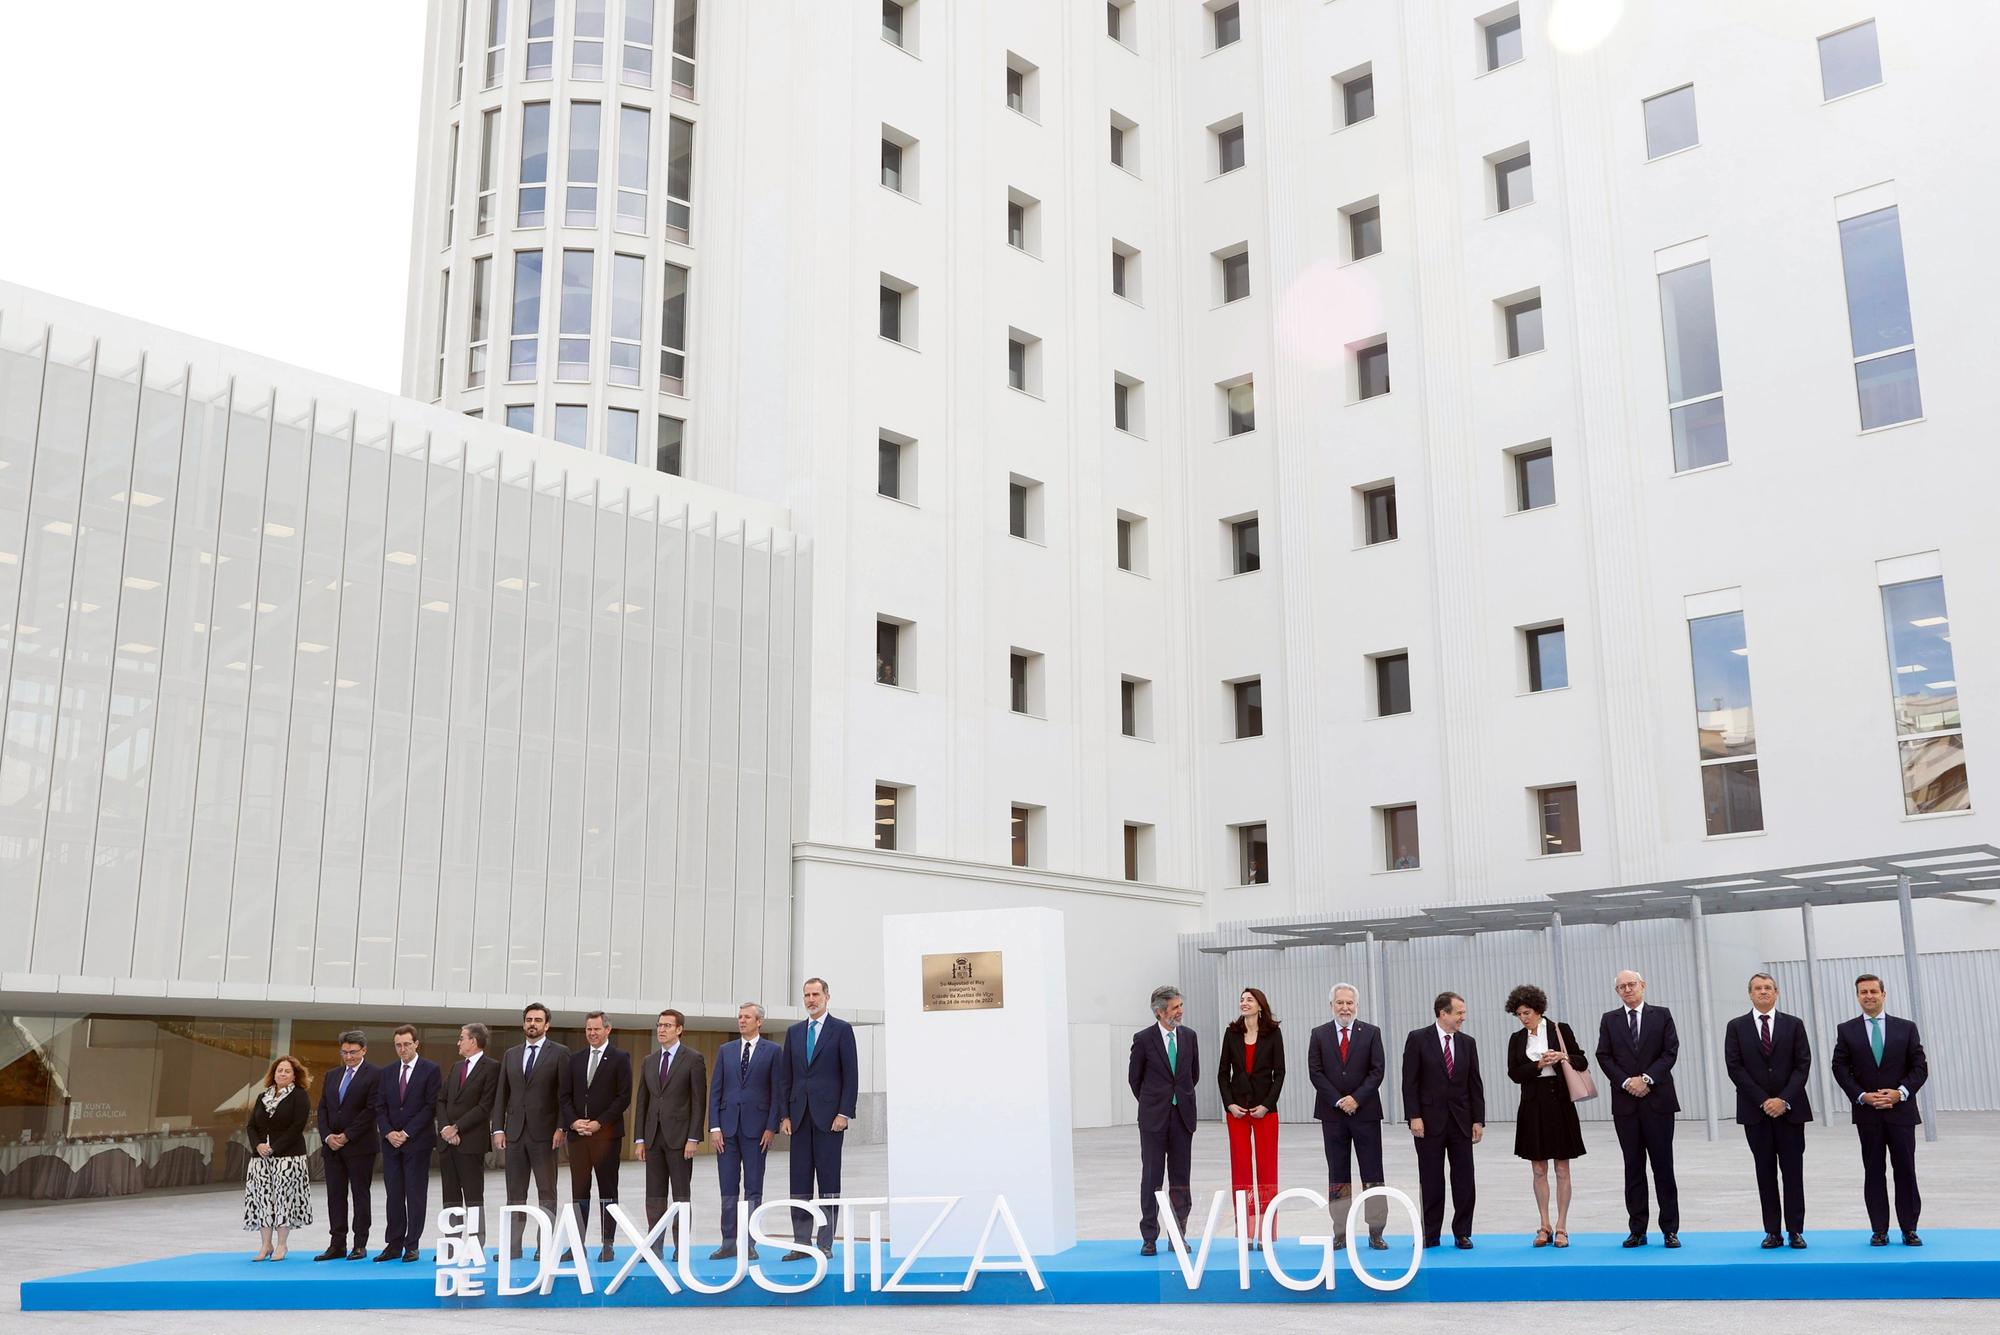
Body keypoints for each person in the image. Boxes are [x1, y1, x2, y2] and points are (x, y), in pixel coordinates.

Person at [1830, 973, 1928, 1246]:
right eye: (1863, 992)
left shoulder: (1906, 1028)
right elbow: (1839, 1067)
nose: (1869, 996)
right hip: (1868, 1114)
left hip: (1901, 1113)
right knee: (1873, 1171)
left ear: (1883, 995)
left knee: (1905, 1170)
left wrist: (1901, 1093)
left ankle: (1909, 1228)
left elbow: (1920, 1067)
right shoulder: (1846, 1030)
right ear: (1858, 996)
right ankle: (1879, 1230)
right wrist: (1862, 1096)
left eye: (1873, 991)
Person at [1724, 972, 1813, 1249]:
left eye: (1768, 988)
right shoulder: (1736, 1026)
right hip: (1756, 1112)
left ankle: (1795, 1230)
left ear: (1777, 992)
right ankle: (1772, 1231)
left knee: (1793, 1172)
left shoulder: (1794, 1025)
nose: (1763, 992)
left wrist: (1783, 1099)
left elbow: (1802, 1065)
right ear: (1750, 994)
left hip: (1790, 1111)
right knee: (1765, 1172)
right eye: (1757, 988)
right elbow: (1735, 1067)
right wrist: (1764, 1100)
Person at [1595, 969, 1681, 1248]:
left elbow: (1670, 1051)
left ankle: (1670, 1229)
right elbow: (1603, 1055)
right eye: (1622, 987)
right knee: (1633, 1168)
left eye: (1632, 984)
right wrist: (1625, 1081)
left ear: (1643, 985)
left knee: (1663, 1167)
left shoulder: (1662, 1015)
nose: (1627, 989)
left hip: (1658, 1102)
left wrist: (1646, 1079)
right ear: (1617, 991)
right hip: (1626, 1104)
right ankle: (1637, 1229)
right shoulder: (1610, 1020)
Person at [780, 976, 859, 1261]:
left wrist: (844, 1112)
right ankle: (801, 1242)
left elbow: (851, 1074)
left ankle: (825, 1243)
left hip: (829, 1119)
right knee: (799, 1183)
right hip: (799, 1117)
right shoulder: (794, 1032)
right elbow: (786, 1077)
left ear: (827, 996)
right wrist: (784, 1114)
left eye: (815, 994)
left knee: (828, 1183)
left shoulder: (841, 1030)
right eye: (806, 995)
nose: (811, 1000)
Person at [1503, 985, 1588, 1249]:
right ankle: (1544, 1224)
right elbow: (1514, 1073)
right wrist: (1538, 1065)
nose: (1523, 1018)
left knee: (1562, 1168)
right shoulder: (1517, 1039)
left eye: (1526, 1012)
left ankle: (1562, 1226)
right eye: (1518, 1014)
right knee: (1538, 1168)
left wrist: (1561, 1056)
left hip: (1559, 1102)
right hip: (1532, 1104)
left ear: (1538, 1009)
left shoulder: (1560, 1029)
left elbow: (1581, 1061)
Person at [1306, 982, 1387, 1250]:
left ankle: (1376, 1231)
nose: (1345, 1007)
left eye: (1349, 1003)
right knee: (1338, 1175)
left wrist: (1356, 1098)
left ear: (1356, 1005)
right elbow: (1315, 1072)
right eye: (1340, 1002)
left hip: (1366, 1114)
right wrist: (1339, 1100)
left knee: (1373, 1172)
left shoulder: (1371, 1033)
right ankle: (1340, 1231)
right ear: (1332, 1005)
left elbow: (1377, 1071)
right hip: (1333, 1115)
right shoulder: (1319, 1034)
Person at [1401, 992, 1484, 1249]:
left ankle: (1462, 1232)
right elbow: (1409, 1082)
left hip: (1461, 1122)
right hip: (1428, 1122)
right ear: (1443, 1013)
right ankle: (1430, 1233)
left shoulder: (1467, 1043)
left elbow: (1474, 1084)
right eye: (1459, 1012)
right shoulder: (1418, 1039)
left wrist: (1478, 1120)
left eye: (1463, 1012)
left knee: (1464, 1179)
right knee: (1431, 1179)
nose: (1463, 1017)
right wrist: (1414, 1116)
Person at [492, 1002, 571, 1260]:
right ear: (523, 1023)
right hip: (514, 1133)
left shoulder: (559, 1053)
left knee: (547, 1192)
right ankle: (513, 1248)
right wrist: (498, 1129)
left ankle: (544, 1246)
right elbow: (501, 1094)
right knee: (515, 1193)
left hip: (546, 1135)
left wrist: (561, 1126)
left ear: (546, 1025)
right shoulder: (511, 1054)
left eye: (538, 1020)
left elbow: (564, 1095)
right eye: (528, 1020)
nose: (532, 1024)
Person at [708, 1001, 785, 1260]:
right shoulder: (725, 1050)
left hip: (757, 1130)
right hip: (726, 1131)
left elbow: (777, 1092)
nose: (742, 1021)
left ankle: (749, 1242)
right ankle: (728, 1242)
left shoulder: (773, 1051)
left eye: (747, 1017)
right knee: (728, 1187)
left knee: (753, 1188)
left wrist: (770, 1127)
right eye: (740, 1017)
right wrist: (714, 1127)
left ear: (759, 1021)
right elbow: (716, 1090)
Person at [1130, 984, 1199, 1257]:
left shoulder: (1190, 1036)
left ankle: (1178, 1235)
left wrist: (1177, 1099)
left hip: (1182, 1117)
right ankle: (1149, 1237)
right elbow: (1135, 1079)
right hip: (1153, 1120)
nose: (1180, 1012)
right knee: (1152, 1178)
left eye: (1181, 1006)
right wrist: (1154, 1102)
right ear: (1159, 1012)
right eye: (1175, 1007)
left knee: (1181, 1179)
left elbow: (1193, 1075)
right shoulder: (1143, 1039)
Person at [634, 1008, 707, 1260]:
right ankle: (654, 1246)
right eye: (659, 1025)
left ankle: (681, 1247)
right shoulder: (649, 1060)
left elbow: (699, 1101)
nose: (661, 1030)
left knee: (680, 1196)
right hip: (653, 1138)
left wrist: (693, 1138)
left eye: (667, 1025)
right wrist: (640, 1139)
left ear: (679, 1029)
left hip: (680, 1140)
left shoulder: (693, 1059)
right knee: (654, 1196)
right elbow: (642, 1101)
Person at [1217, 987, 1285, 1248]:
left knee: (1267, 1171)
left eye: (1249, 1000)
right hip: (1237, 1110)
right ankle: (1246, 1230)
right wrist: (1229, 1104)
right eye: (1242, 999)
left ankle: (1266, 1231)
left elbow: (1280, 1073)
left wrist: (1267, 1105)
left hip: (1265, 1111)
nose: (1244, 1003)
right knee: (1241, 1172)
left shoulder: (1273, 1034)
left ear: (1260, 1006)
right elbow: (1223, 1073)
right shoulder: (1231, 1033)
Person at [563, 1011, 633, 1262]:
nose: (592, 1033)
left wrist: (598, 1124)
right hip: (578, 1137)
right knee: (579, 1192)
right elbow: (565, 1096)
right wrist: (574, 1122)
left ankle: (607, 1244)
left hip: (607, 1137)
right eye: (588, 1029)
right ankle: (576, 1244)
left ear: (607, 1030)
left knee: (607, 1191)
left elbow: (623, 1097)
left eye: (596, 1029)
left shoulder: (620, 1058)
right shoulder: (575, 1059)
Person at [313, 1029, 381, 1262]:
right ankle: (337, 1244)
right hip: (332, 1148)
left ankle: (359, 1244)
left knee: (360, 1195)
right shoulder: (332, 1075)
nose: (348, 1056)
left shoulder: (374, 1074)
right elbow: (323, 1108)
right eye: (344, 1052)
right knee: (335, 1196)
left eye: (353, 1052)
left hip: (360, 1146)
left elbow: (371, 1110)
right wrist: (327, 1136)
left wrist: (347, 1135)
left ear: (364, 1050)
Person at [375, 1023, 440, 1263]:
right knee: (393, 1195)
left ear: (416, 1044)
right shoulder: (387, 1072)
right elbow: (380, 1106)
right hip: (391, 1144)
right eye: (398, 1045)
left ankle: (412, 1245)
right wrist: (389, 1132)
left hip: (417, 1143)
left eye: (406, 1044)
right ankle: (393, 1244)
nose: (402, 1049)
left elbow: (430, 1106)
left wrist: (407, 1132)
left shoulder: (430, 1070)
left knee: (414, 1194)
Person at [436, 1022, 499, 1252]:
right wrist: (445, 1128)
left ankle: (475, 1246)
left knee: (473, 1197)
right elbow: (441, 1099)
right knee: (450, 1198)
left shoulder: (492, 1068)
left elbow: (485, 1106)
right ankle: (451, 1246)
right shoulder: (455, 1067)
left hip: (470, 1143)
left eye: (462, 1038)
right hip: (447, 1144)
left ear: (473, 1041)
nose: (458, 1042)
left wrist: (457, 1128)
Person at [243, 1055, 314, 1262]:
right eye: (279, 1070)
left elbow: (297, 1127)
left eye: (287, 1071)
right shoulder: (262, 1097)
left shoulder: (300, 1096)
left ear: (294, 1076)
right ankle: (266, 1244)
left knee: (283, 1200)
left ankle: (282, 1244)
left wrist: (274, 1148)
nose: (282, 1074)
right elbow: (251, 1126)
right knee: (263, 1199)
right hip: (260, 1158)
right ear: (273, 1074)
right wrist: (258, 1145)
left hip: (288, 1157)